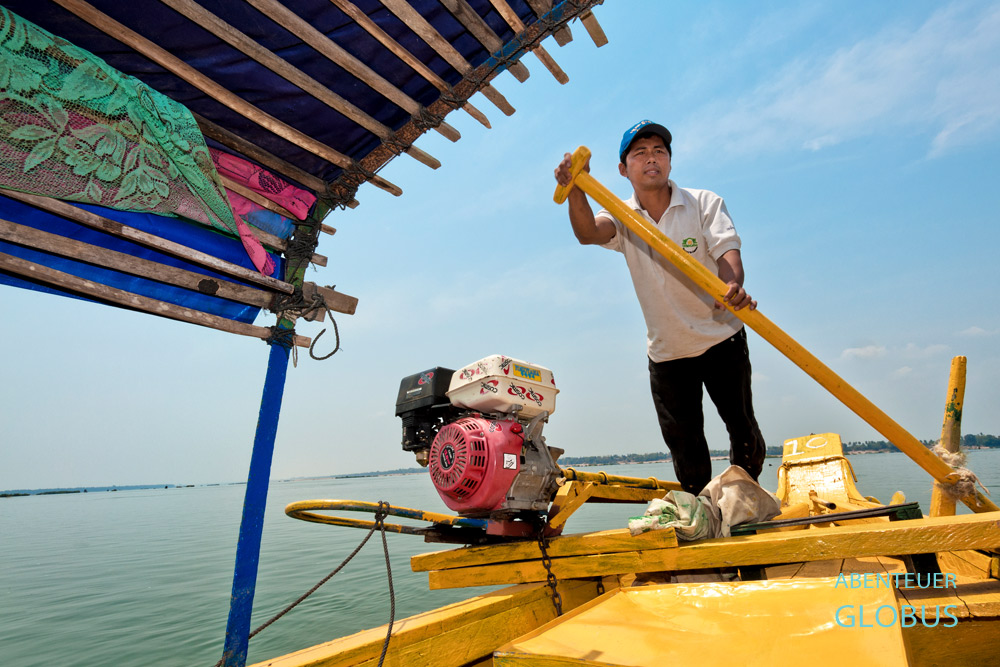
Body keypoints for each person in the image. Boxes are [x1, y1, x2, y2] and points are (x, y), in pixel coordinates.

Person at [554, 120, 766, 495]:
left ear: (669, 161)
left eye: (659, 152)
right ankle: (703, 514)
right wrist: (576, 188)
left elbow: (727, 253)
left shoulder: (703, 202)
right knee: (684, 444)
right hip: (667, 352)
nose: (651, 159)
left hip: (722, 336)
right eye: (640, 153)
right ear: (623, 169)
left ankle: (745, 499)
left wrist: (731, 284)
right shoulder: (621, 216)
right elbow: (588, 233)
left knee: (743, 428)